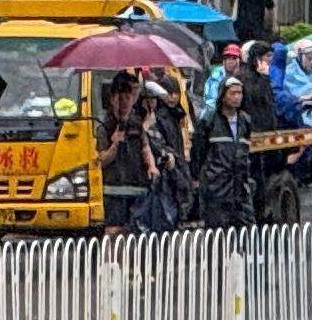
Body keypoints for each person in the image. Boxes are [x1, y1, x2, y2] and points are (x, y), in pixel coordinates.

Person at [191, 71, 256, 229]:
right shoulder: (209, 121)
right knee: (219, 234)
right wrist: (199, 179)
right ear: (223, 95)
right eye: (233, 93)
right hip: (216, 188)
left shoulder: (245, 121)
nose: (237, 97)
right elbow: (198, 152)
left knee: (247, 230)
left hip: (240, 188)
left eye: (240, 93)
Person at [99, 73, 148, 234]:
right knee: (114, 231)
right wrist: (114, 145)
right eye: (120, 98)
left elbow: (145, 147)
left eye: (128, 97)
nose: (124, 102)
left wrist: (151, 166)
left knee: (134, 233)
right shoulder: (104, 127)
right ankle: (110, 259)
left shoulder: (137, 124)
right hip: (114, 189)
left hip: (137, 187)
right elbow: (102, 161)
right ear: (113, 99)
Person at [141, 76, 191, 232]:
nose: (173, 97)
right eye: (169, 92)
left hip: (175, 169)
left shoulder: (175, 115)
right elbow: (156, 144)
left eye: (176, 92)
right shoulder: (155, 120)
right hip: (159, 174)